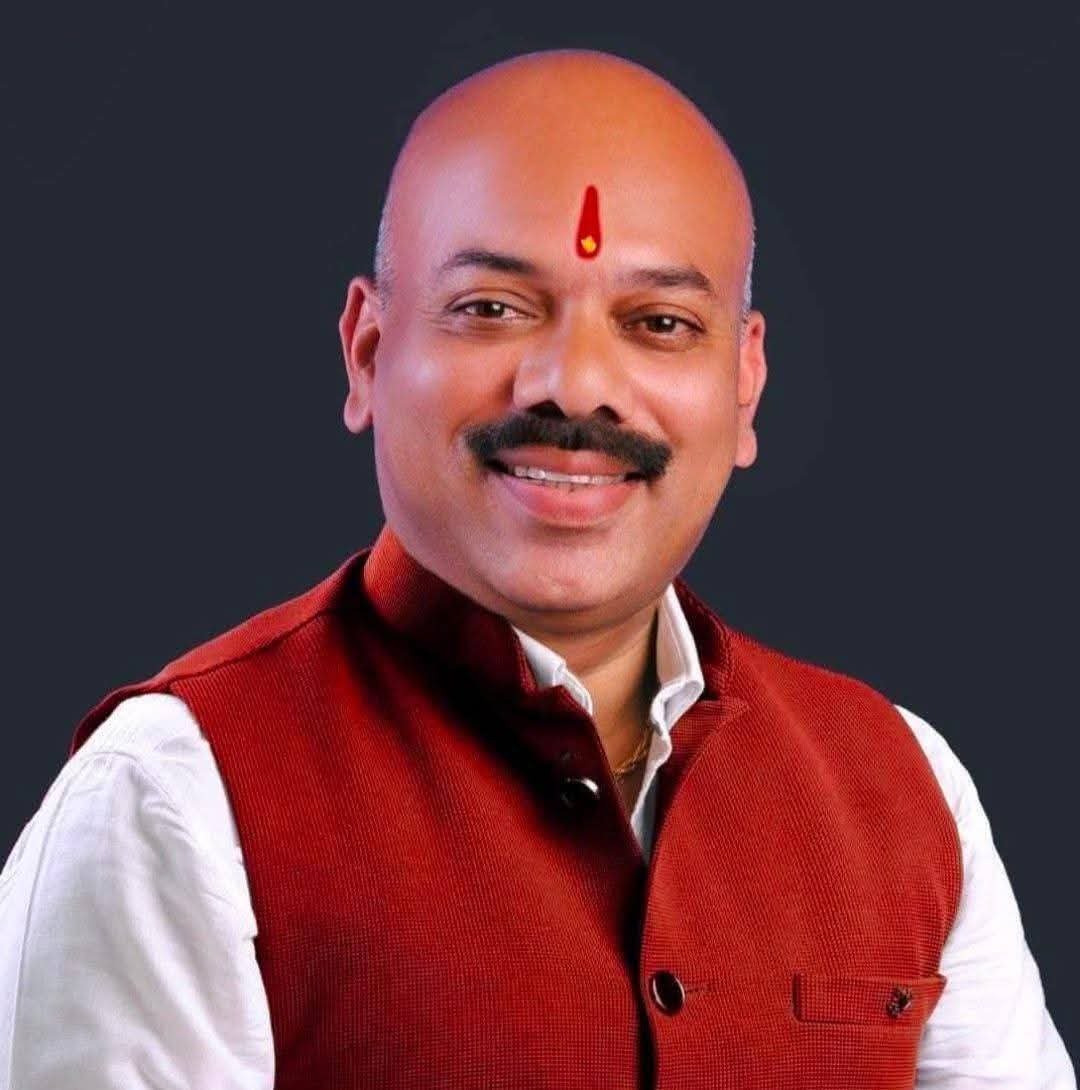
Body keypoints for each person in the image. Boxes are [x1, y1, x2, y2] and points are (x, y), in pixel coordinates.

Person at [0, 47, 1073, 1090]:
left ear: (745, 384)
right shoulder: (174, 797)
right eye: (492, 309)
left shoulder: (905, 786)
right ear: (368, 353)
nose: (575, 384)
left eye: (660, 323)